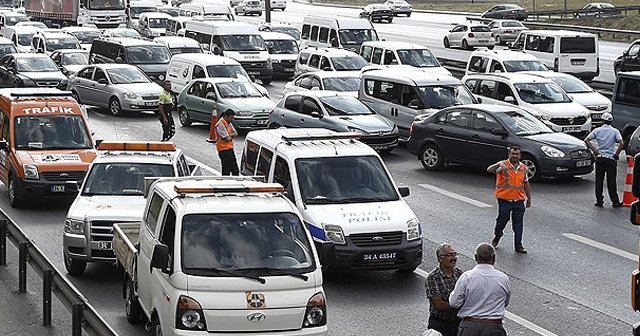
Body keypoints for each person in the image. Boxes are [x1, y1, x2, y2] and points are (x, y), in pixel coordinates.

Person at [449, 243, 510, 336]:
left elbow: (454, 303)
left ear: (476, 257)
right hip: (494, 328)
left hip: (469, 327)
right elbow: (505, 303)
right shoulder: (503, 278)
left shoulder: (467, 277)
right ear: (493, 258)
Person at [487, 145, 531, 254]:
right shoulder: (503, 166)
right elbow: (490, 170)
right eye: (513, 153)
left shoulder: (523, 168)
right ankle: (497, 236)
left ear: (520, 156)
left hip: (518, 200)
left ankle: (518, 245)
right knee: (502, 221)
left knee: (518, 224)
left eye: (517, 154)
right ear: (509, 154)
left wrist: (529, 198)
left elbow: (525, 183)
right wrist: (499, 164)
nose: (515, 156)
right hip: (505, 200)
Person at [584, 112, 624, 208]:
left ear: (602, 121)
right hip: (610, 159)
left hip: (600, 159)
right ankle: (615, 201)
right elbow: (621, 143)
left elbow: (586, 140)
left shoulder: (597, 130)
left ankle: (599, 201)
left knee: (599, 181)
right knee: (611, 182)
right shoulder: (615, 131)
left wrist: (595, 150)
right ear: (611, 121)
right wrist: (616, 154)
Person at [425, 243, 463, 336]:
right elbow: (439, 304)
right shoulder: (433, 277)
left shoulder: (460, 274)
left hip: (458, 322)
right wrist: (459, 305)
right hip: (439, 324)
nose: (454, 258)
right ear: (440, 258)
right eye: (450, 255)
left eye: (455, 254)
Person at [215, 110, 239, 175]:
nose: (232, 119)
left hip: (230, 149)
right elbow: (227, 138)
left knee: (235, 170)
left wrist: (229, 135)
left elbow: (236, 133)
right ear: (226, 116)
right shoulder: (220, 125)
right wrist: (230, 135)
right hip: (223, 150)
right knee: (226, 170)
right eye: (231, 118)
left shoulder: (228, 123)